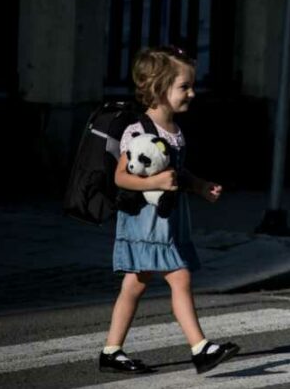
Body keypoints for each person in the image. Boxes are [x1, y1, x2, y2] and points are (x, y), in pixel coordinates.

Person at [99, 45, 240, 375]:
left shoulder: (174, 132)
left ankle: (111, 350)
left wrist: (200, 186)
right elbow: (122, 177)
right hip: (145, 223)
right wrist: (156, 183)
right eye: (184, 86)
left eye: (192, 85)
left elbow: (177, 172)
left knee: (135, 284)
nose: (192, 92)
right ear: (159, 88)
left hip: (167, 222)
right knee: (180, 277)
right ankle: (201, 348)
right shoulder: (139, 132)